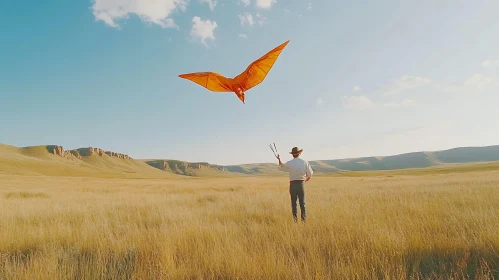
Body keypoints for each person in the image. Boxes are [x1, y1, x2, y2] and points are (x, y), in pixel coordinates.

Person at [277, 146, 313, 222]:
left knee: (294, 203)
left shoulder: (290, 163)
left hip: (292, 185)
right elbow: (310, 175)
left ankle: (295, 221)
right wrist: (304, 181)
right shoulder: (305, 162)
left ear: (292, 154)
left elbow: (281, 166)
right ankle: (304, 221)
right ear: (299, 153)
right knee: (302, 203)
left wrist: (279, 159)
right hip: (301, 184)